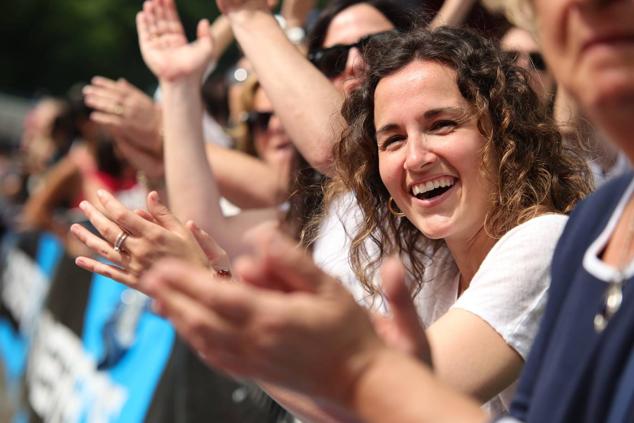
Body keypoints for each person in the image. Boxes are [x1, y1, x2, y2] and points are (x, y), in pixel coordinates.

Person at [139, 0, 634, 421]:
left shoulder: (544, 241)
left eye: (442, 125)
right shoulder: (427, 259)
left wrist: (229, 314)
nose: (416, 158)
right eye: (392, 139)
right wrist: (218, 291)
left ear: (503, 135)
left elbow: (384, 401)